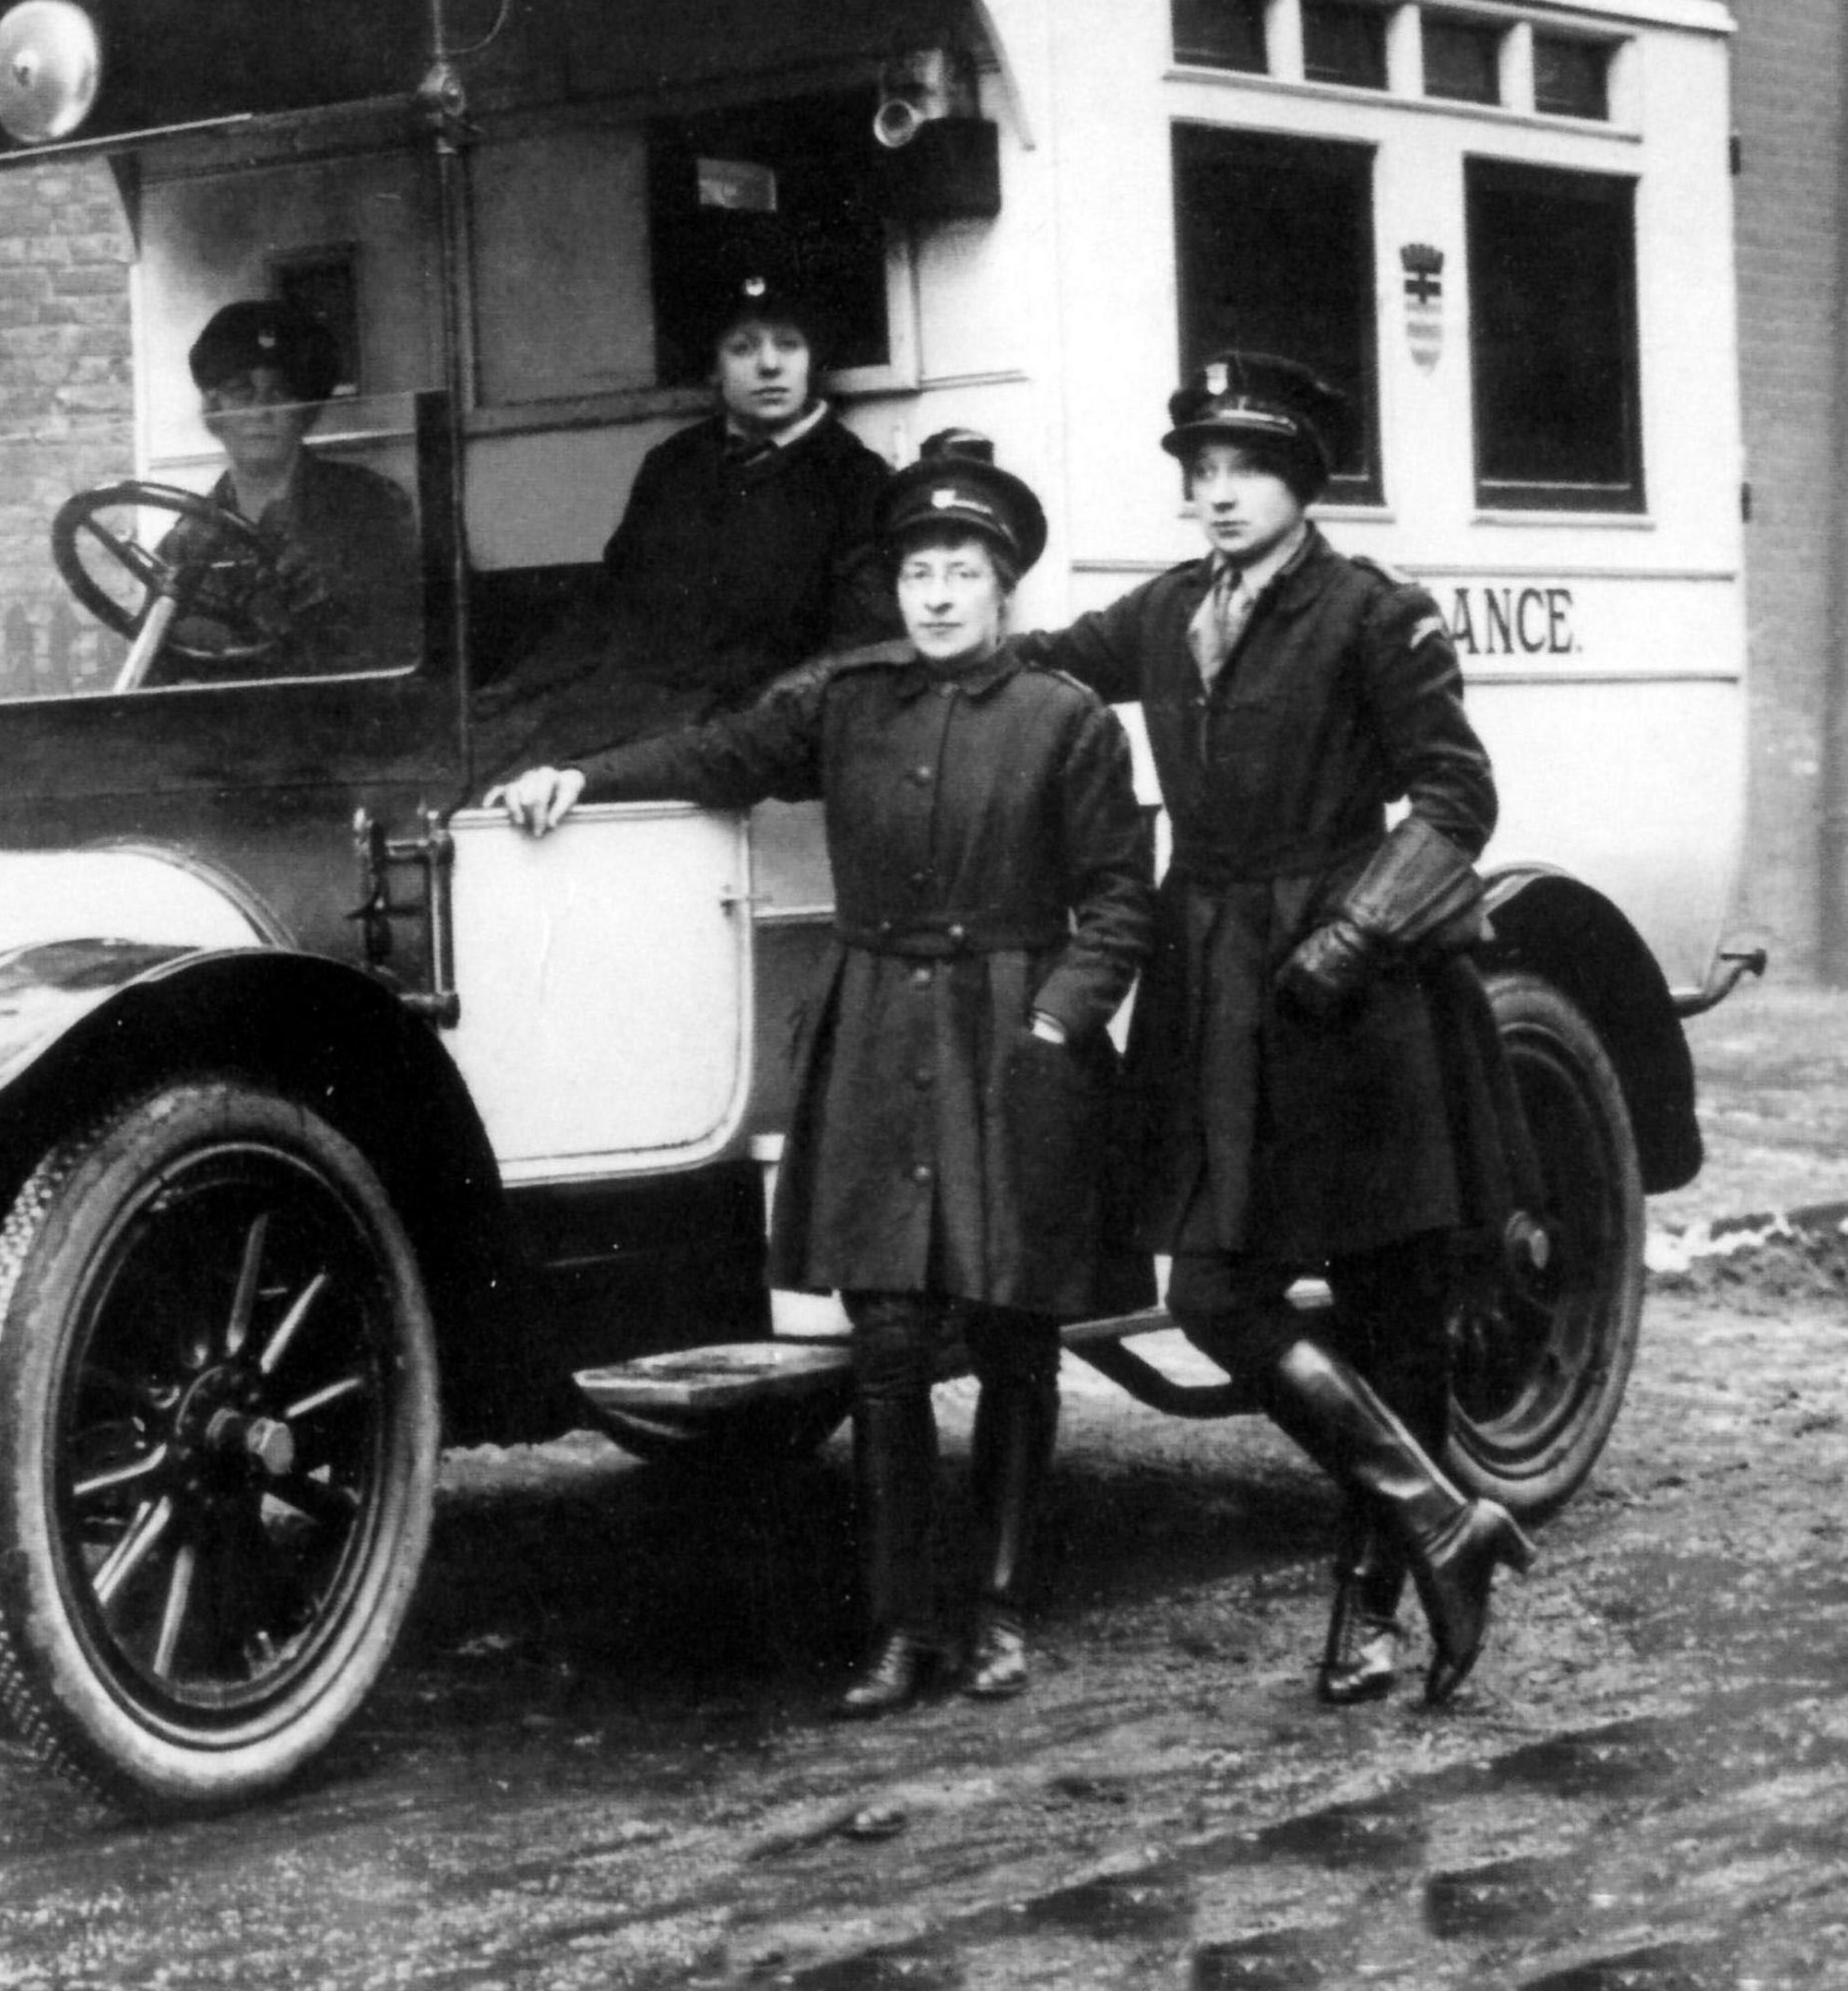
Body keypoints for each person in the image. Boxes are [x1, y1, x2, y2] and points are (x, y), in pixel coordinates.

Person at [490, 434, 1154, 1713]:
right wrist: (585, 775)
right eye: (919, 572)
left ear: (1004, 582)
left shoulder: (1064, 720)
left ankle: (1003, 1609)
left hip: (1017, 1039)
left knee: (1014, 1333)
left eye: (963, 569)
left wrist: (1064, 1020)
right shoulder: (848, 700)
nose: (940, 594)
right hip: (883, 1038)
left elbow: (1121, 900)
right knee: (890, 1342)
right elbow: (718, 753)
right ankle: (905, 1625)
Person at [1018, 352, 1536, 1707]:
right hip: (1211, 973)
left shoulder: (1373, 611)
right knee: (1208, 1287)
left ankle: (1371, 1613)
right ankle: (1441, 1518)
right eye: (1199, 471)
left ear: (1303, 478)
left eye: (1244, 468)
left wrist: (1357, 934)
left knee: (1390, 1307)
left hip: (1353, 984)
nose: (1217, 494)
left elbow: (1456, 797)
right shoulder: (1166, 610)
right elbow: (1034, 664)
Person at [473, 268, 896, 774]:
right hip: (636, 702)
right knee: (495, 764)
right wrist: (517, 688)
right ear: (713, 370)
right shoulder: (674, 465)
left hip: (746, 727)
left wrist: (772, 709)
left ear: (812, 361)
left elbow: (864, 636)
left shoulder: (852, 476)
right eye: (742, 348)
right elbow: (613, 600)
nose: (768, 365)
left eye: (788, 345)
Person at [141, 298, 421, 685]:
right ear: (214, 411)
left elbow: (395, 647)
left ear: (305, 411)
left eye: (280, 393)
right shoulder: (183, 545)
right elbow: (160, 682)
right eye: (242, 392)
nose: (261, 411)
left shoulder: (368, 505)